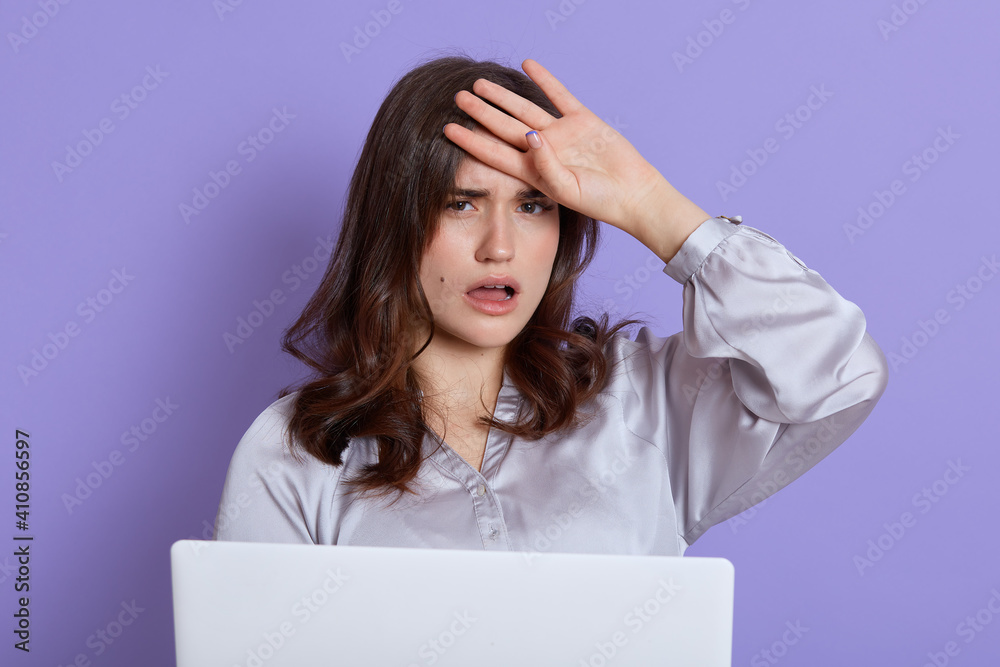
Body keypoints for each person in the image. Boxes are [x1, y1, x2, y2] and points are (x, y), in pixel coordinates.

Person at [212, 55, 889, 555]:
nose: (500, 247)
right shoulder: (297, 450)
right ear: (396, 223)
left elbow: (843, 373)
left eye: (533, 206)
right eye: (461, 204)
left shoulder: (646, 403)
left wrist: (649, 204)